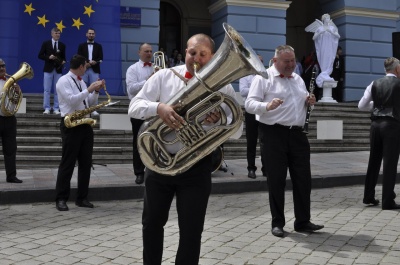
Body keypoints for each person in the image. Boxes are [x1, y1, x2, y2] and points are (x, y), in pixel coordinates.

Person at [128, 33, 240, 264]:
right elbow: (134, 106)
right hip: (159, 162)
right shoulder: (165, 77)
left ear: (212, 56)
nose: (196, 58)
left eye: (203, 54)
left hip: (196, 167)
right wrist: (158, 108)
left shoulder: (224, 87)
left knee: (192, 230)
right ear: (185, 52)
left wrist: (218, 119)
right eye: (192, 53)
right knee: (151, 224)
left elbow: (237, 130)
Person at [245, 45, 324, 237]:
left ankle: (303, 221)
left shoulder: (297, 79)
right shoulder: (263, 78)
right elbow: (249, 104)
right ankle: (277, 222)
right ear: (275, 61)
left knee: (303, 179)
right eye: (286, 61)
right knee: (277, 180)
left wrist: (308, 100)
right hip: (273, 134)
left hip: (297, 135)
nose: (291, 65)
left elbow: (301, 101)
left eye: (293, 60)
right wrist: (267, 105)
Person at [55, 54, 105, 211]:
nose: (86, 69)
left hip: (84, 124)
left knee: (85, 163)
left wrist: (95, 92)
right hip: (71, 124)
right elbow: (71, 100)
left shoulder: (81, 81)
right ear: (81, 66)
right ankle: (61, 198)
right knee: (67, 163)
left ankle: (82, 197)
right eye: (85, 66)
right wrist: (89, 89)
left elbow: (88, 102)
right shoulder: (63, 81)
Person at [358, 57, 400, 210]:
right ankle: (387, 200)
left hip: (375, 125)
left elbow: (361, 105)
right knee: (390, 163)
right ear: (397, 69)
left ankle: (368, 196)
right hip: (392, 125)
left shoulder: (374, 83)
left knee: (374, 160)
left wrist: (377, 107)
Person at [126, 43, 154, 185]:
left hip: (154, 111)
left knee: (154, 142)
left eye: (150, 51)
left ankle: (153, 169)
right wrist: (148, 81)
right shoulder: (133, 69)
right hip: (138, 110)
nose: (149, 53)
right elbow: (131, 89)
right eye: (146, 51)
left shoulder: (156, 68)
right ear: (139, 53)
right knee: (138, 142)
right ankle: (139, 172)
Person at [239, 54, 265, 179]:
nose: (259, 63)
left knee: (265, 140)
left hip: (263, 110)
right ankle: (251, 168)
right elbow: (242, 90)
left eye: (261, 61)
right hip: (251, 111)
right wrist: (257, 89)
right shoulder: (245, 75)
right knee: (251, 141)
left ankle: (266, 168)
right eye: (257, 61)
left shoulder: (266, 76)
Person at [0, 59, 23, 183]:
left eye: (3, 66)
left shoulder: (11, 83)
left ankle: (11, 175)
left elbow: (18, 105)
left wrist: (17, 93)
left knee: (11, 149)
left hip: (9, 119)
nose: (2, 68)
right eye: (0, 66)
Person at [305, 14, 340, 88]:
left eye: (329, 18)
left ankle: (326, 74)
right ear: (323, 19)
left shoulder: (332, 28)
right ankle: (324, 73)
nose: (328, 19)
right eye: (326, 18)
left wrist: (331, 32)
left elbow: (338, 36)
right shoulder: (320, 28)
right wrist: (320, 32)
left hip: (330, 48)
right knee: (323, 60)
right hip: (323, 48)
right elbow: (314, 38)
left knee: (330, 59)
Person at [38, 27, 66, 115]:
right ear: (52, 34)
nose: (58, 35)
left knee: (58, 89)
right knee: (47, 90)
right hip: (48, 69)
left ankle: (56, 108)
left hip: (58, 70)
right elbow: (40, 55)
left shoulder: (62, 45)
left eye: (59, 33)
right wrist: (48, 57)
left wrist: (63, 61)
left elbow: (64, 57)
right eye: (56, 33)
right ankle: (46, 108)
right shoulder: (46, 43)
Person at [77, 28, 103, 116]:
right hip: (84, 69)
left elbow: (101, 58)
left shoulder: (99, 46)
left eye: (92, 34)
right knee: (83, 88)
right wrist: (87, 62)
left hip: (94, 69)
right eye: (89, 33)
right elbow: (79, 56)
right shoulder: (81, 45)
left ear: (94, 35)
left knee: (95, 88)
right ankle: (84, 107)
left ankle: (93, 109)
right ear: (86, 34)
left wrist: (94, 62)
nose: (91, 35)